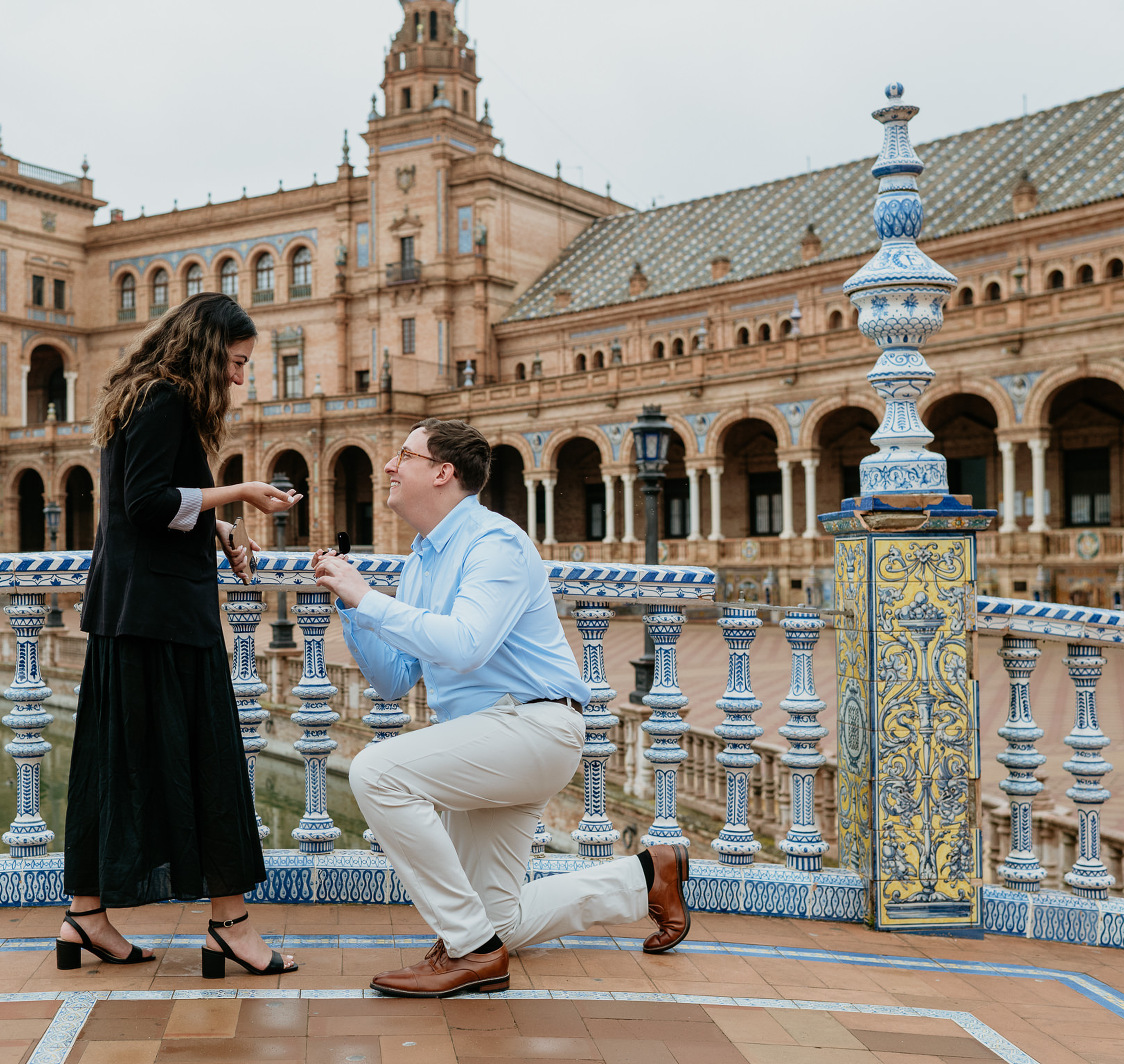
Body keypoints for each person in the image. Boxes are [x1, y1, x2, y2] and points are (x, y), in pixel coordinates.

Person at [312, 418, 690, 999]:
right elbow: (393, 680)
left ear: (444, 473)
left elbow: (466, 644)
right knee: (502, 920)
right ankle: (648, 876)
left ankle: (471, 951)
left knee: (374, 772)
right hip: (483, 741)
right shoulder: (419, 565)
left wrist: (368, 597)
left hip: (533, 727)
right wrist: (351, 606)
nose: (389, 466)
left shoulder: (496, 544)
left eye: (404, 455)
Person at [59, 292, 302, 979]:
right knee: (208, 763)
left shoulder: (137, 394)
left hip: (127, 613)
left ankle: (85, 915)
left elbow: (141, 509)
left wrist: (217, 530)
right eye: (235, 362)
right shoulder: (165, 400)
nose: (239, 378)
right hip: (163, 620)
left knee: (115, 764)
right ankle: (230, 926)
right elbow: (146, 503)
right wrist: (241, 494)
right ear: (203, 348)